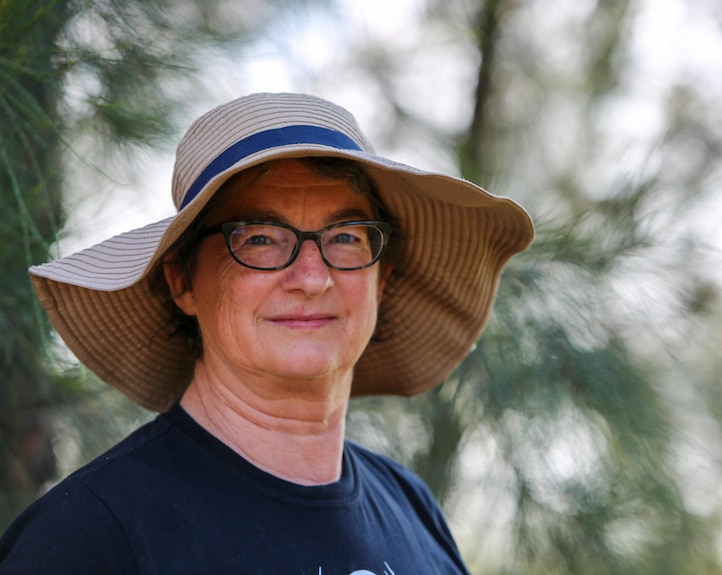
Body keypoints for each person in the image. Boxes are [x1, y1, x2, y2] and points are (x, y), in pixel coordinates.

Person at [0, 92, 533, 574]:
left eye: (346, 237)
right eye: (259, 239)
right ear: (182, 280)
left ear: (381, 279)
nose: (312, 277)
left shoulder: (413, 511)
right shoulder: (90, 538)